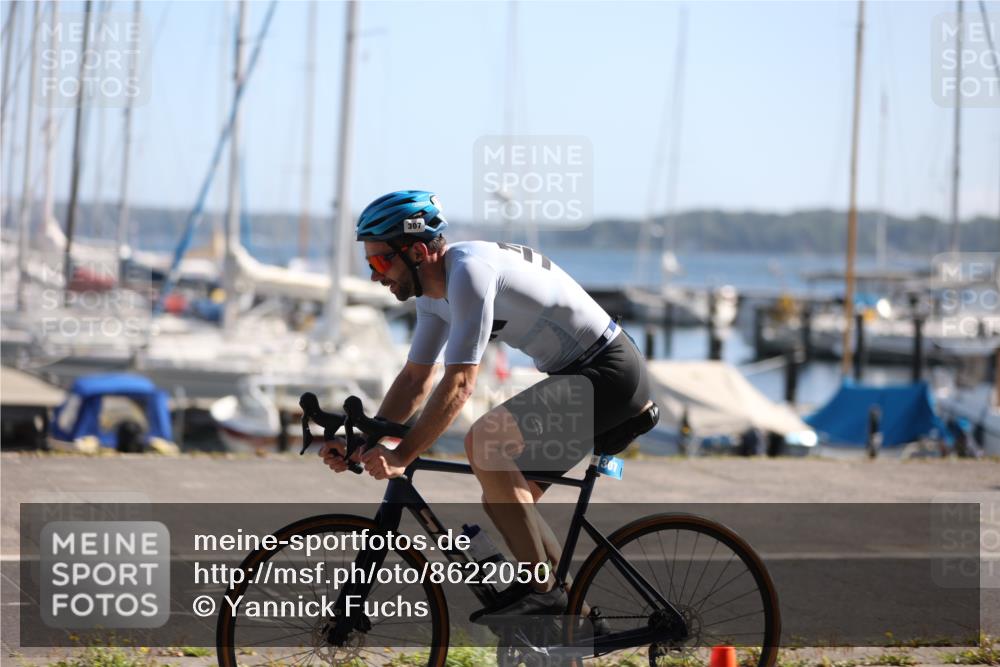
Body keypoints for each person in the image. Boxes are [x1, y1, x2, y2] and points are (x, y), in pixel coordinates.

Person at [320, 190, 652, 619]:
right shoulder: (432, 296)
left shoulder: (469, 274)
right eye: (369, 264)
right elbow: (415, 380)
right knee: (506, 502)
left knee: (486, 441)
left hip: (608, 373)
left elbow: (459, 384)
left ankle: (544, 592)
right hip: (580, 375)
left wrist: (401, 455)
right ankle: (579, 624)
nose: (373, 276)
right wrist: (361, 441)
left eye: (381, 262)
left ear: (418, 251)